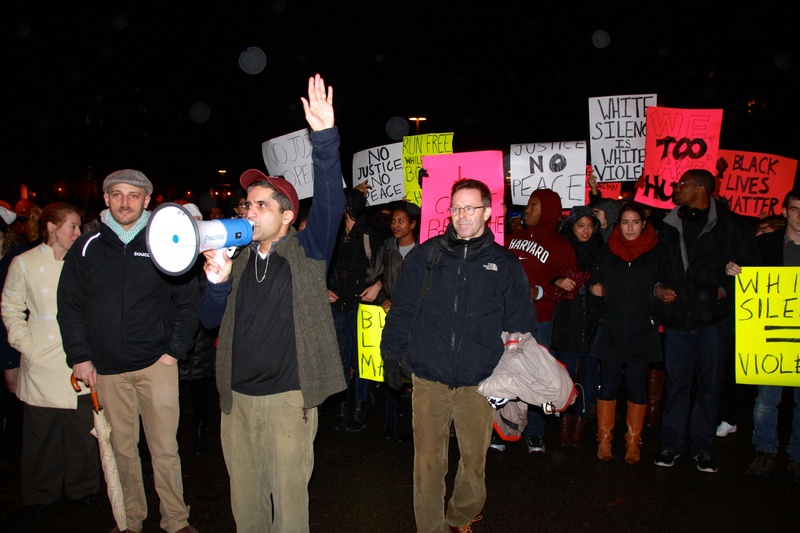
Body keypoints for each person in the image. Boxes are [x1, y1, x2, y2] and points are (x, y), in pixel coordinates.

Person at [198, 74, 346, 532]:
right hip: (236, 400)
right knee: (246, 506)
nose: (248, 211)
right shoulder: (236, 260)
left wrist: (324, 138)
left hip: (288, 401)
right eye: (247, 203)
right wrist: (217, 282)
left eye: (261, 204)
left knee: (289, 507)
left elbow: (331, 204)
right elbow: (207, 322)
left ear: (287, 216)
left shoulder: (307, 251)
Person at [381, 178, 536, 533]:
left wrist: (513, 374)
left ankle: (461, 514)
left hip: (479, 381)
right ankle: (431, 527)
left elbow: (520, 326)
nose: (462, 215)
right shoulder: (427, 255)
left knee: (473, 460)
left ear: (487, 211)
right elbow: (402, 308)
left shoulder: (505, 265)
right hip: (429, 376)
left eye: (470, 208)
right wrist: (392, 354)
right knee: (427, 464)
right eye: (456, 208)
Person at [58, 169, 201, 533]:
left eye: (133, 195)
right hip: (106, 369)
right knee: (122, 450)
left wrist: (174, 351)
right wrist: (79, 356)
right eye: (117, 194)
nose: (125, 202)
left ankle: (176, 521)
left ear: (146, 200)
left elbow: (187, 301)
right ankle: (129, 520)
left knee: (164, 451)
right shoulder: (86, 246)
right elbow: (70, 304)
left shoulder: (167, 240)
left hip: (157, 365)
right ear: (105, 199)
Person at [652, 168, 760, 473]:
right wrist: (658, 290)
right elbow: (656, 267)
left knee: (710, 386)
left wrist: (724, 292)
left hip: (713, 322)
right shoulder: (668, 224)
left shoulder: (731, 226)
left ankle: (703, 447)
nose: (675, 188)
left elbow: (751, 268)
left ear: (701, 189)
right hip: (676, 323)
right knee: (675, 386)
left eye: (682, 184)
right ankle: (670, 444)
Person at [1, 202, 100, 515]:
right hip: (41, 356)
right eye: (71, 226)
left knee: (82, 429)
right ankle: (40, 492)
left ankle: (83, 488)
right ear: (51, 228)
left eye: (78, 226)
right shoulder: (24, 262)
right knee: (41, 434)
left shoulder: (84, 261)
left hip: (79, 356)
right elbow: (10, 307)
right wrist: (25, 343)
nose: (77, 232)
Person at [727, 188, 800, 480]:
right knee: (767, 399)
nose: (799, 215)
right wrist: (736, 273)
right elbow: (751, 280)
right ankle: (765, 450)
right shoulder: (765, 244)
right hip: (772, 338)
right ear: (784, 212)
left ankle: (797, 455)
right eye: (795, 208)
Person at [588, 202, 669, 464]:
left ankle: (633, 442)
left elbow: (665, 286)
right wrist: (598, 302)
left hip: (641, 330)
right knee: (608, 384)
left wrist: (654, 315)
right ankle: (605, 441)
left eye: (635, 222)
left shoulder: (656, 253)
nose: (630, 228)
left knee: (637, 386)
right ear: (618, 224)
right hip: (611, 329)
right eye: (625, 222)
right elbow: (593, 283)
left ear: (644, 224)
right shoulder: (606, 252)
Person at [505, 188, 576, 453]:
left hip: (540, 320)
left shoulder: (560, 246)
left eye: (534, 206)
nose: (527, 210)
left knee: (537, 376)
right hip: (507, 318)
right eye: (528, 205)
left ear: (547, 210)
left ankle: (535, 432)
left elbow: (571, 288)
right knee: (505, 373)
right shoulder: (511, 239)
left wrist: (546, 288)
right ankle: (505, 426)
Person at [327, 187, 382, 432]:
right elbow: (319, 266)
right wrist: (322, 288)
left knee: (361, 360)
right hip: (338, 304)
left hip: (362, 304)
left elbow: (386, 266)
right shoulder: (332, 235)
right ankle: (341, 408)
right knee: (339, 359)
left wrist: (379, 285)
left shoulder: (371, 233)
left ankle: (358, 408)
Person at [550, 205, 604, 448]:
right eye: (581, 225)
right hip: (567, 319)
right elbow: (545, 273)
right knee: (566, 374)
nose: (586, 231)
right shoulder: (560, 248)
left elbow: (614, 278)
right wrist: (557, 281)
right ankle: (564, 423)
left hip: (592, 321)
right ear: (572, 227)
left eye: (590, 226)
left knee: (590, 374)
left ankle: (580, 423)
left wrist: (603, 290)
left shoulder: (602, 251)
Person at [371, 202, 419, 441]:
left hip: (416, 320)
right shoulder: (387, 247)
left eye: (401, 221)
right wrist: (383, 299)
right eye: (393, 221)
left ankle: (411, 428)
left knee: (412, 374)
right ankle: (389, 424)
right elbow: (374, 276)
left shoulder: (423, 249)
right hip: (392, 319)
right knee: (391, 370)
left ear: (413, 223)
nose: (395, 225)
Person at [178, 204, 217, 456]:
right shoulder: (170, 254)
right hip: (178, 339)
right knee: (176, 397)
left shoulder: (210, 255)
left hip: (202, 338)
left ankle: (202, 431)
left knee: (202, 392)